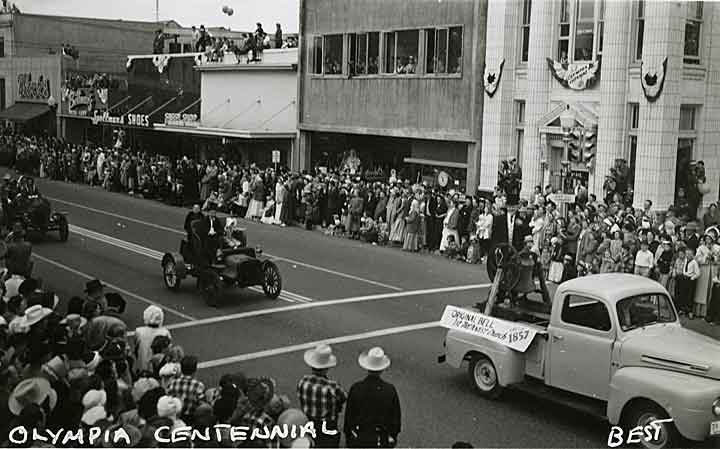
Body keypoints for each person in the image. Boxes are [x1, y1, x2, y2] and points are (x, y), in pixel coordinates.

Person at [344, 347, 401, 448]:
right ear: (382, 369)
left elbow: (349, 417)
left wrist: (349, 437)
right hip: (381, 438)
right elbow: (395, 418)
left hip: (360, 436)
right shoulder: (389, 389)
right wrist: (392, 437)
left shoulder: (356, 388)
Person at [297, 344, 347, 448]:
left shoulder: (303, 382)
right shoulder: (332, 386)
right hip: (327, 426)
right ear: (327, 368)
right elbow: (343, 397)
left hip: (309, 422)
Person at [165, 355, 205, 422]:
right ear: (195, 370)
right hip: (192, 418)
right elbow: (202, 405)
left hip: (175, 417)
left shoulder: (172, 383)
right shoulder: (198, 385)